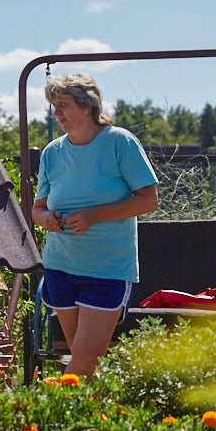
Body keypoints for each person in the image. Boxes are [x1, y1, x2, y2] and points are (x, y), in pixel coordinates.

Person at [32, 73, 159, 378]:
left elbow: (149, 200)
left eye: (62, 105)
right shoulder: (52, 153)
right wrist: (47, 219)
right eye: (54, 106)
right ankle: (96, 420)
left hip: (108, 270)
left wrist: (93, 215)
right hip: (60, 267)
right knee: (84, 359)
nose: (56, 113)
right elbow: (37, 209)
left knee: (86, 356)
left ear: (86, 106)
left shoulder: (120, 142)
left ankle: (47, 414)